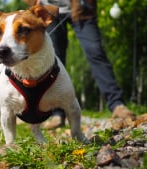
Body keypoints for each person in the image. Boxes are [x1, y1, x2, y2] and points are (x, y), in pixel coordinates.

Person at [23, 0, 136, 129]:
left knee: (96, 53)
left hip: (82, 9)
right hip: (48, 11)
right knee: (52, 60)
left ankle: (117, 105)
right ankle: (57, 114)